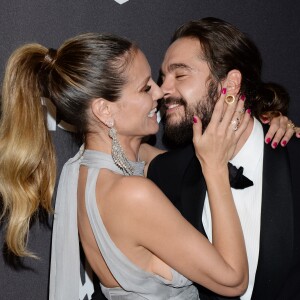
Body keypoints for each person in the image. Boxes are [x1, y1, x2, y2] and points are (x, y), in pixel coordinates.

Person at [0, 32, 294, 300]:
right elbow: (234, 281)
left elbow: (147, 156)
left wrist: (267, 113)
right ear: (104, 110)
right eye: (145, 88)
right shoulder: (133, 194)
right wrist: (215, 168)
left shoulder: (80, 170)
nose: (160, 93)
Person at [147, 17, 300, 300]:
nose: (162, 91)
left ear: (231, 83)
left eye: (179, 75)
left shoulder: (293, 158)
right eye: (162, 77)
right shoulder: (164, 175)